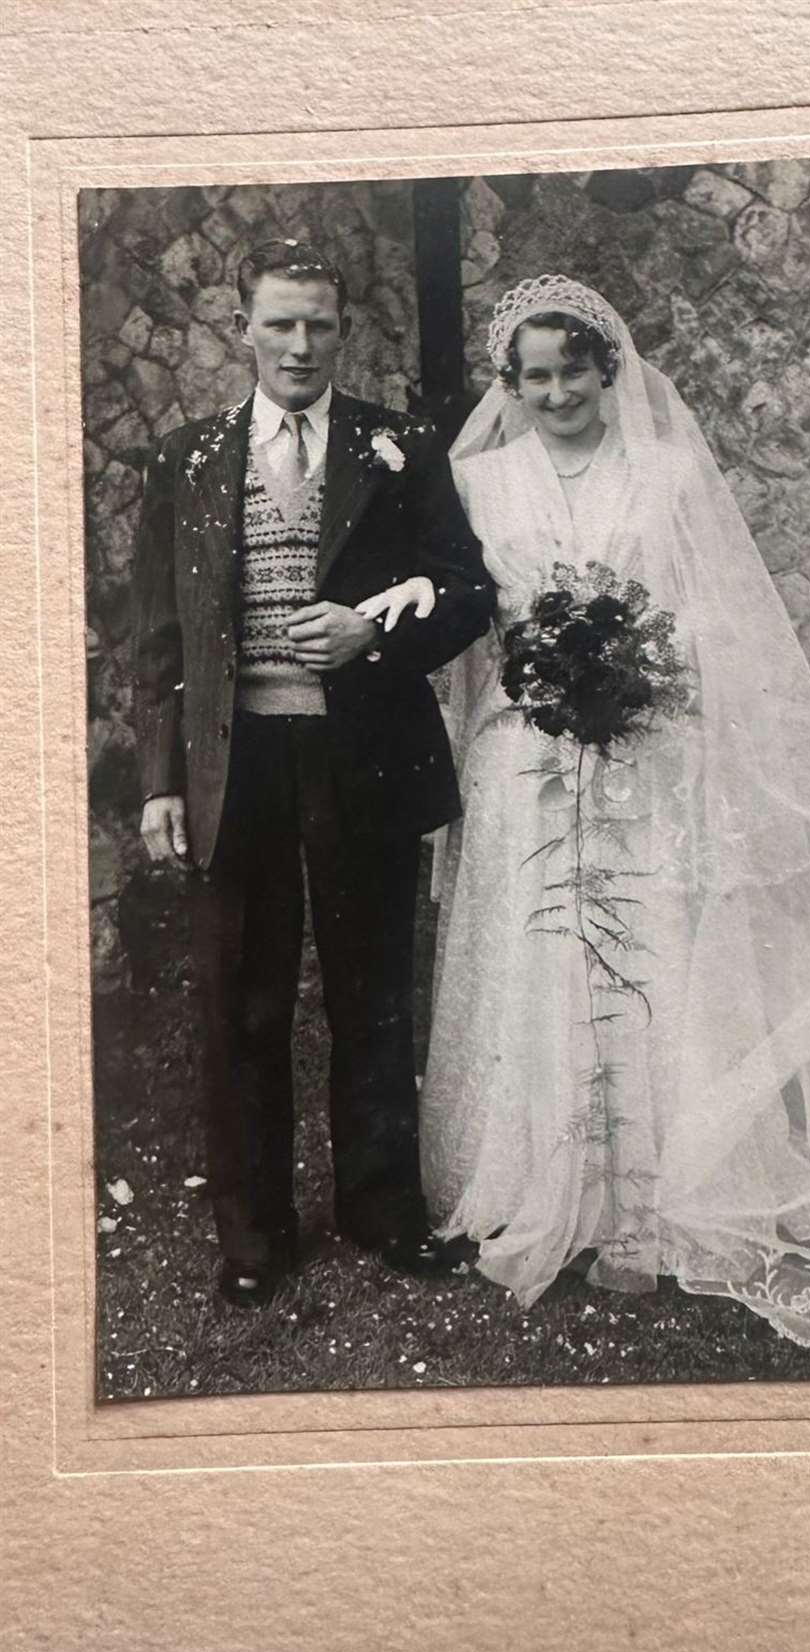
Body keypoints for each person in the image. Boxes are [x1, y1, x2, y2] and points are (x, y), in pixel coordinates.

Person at [409, 274, 810, 1378]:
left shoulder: (668, 469)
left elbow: (708, 611)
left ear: (610, 368)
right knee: (539, 951)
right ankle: (555, 1187)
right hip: (528, 754)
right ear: (512, 385)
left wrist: (634, 676)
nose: (557, 392)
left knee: (656, 948)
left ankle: (663, 1196)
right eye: (535, 377)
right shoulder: (479, 481)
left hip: (645, 743)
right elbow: (472, 622)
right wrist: (539, 675)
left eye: (575, 370)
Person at [131, 238, 494, 1306]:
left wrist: (373, 631)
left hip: (361, 758)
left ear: (343, 332)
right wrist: (161, 780)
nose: (300, 345)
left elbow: (467, 590)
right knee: (241, 999)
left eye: (319, 325)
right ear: (241, 328)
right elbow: (157, 640)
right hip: (234, 767)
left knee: (370, 990)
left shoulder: (399, 447)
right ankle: (255, 1235)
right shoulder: (187, 460)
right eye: (280, 323)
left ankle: (380, 1209)